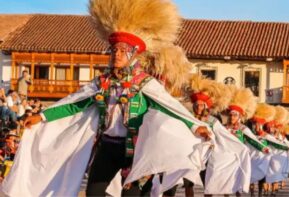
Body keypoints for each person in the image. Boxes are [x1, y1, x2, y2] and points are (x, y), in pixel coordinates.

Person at [2, 0, 214, 196]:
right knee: (94, 193)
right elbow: (74, 104)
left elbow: (170, 107)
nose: (117, 54)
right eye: (113, 50)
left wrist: (195, 126)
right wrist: (42, 116)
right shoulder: (101, 83)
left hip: (136, 151)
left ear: (133, 54)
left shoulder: (146, 83)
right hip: (107, 147)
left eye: (122, 50)